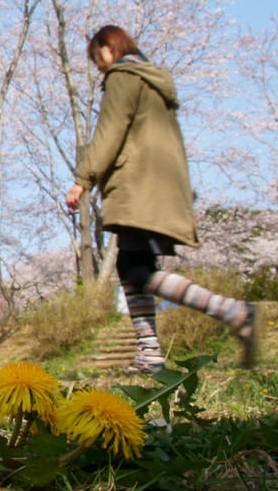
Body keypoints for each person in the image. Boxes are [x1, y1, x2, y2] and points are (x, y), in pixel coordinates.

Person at [65, 26, 259, 376]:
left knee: (137, 270)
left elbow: (110, 130)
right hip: (161, 186)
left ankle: (231, 311)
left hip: (138, 184)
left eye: (97, 59)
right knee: (132, 265)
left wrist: (83, 179)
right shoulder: (154, 82)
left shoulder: (124, 76)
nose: (98, 68)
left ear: (109, 47)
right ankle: (149, 352)